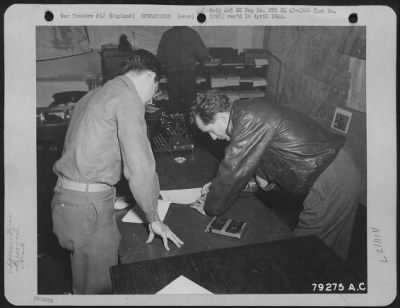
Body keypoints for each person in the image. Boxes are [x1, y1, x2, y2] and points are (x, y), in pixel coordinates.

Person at [51, 49, 184, 294]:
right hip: (89, 209)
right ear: (150, 77)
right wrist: (153, 217)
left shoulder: (93, 95)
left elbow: (85, 151)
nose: (150, 100)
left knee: (82, 286)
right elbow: (140, 167)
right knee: (101, 290)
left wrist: (111, 195)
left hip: (66, 202)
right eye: (154, 92)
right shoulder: (127, 98)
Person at [190, 91, 361, 260]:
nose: (212, 138)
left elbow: (233, 169)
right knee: (330, 249)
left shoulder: (249, 118)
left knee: (305, 253)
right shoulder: (246, 111)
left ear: (221, 118)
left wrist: (209, 206)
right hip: (337, 167)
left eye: (210, 131)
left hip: (330, 176)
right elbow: (251, 173)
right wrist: (216, 188)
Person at [157, 26, 208, 117]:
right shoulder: (192, 33)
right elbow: (203, 54)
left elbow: (160, 58)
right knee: (190, 104)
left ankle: (177, 127)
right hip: (188, 74)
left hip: (172, 74)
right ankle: (191, 128)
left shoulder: (167, 34)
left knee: (174, 104)